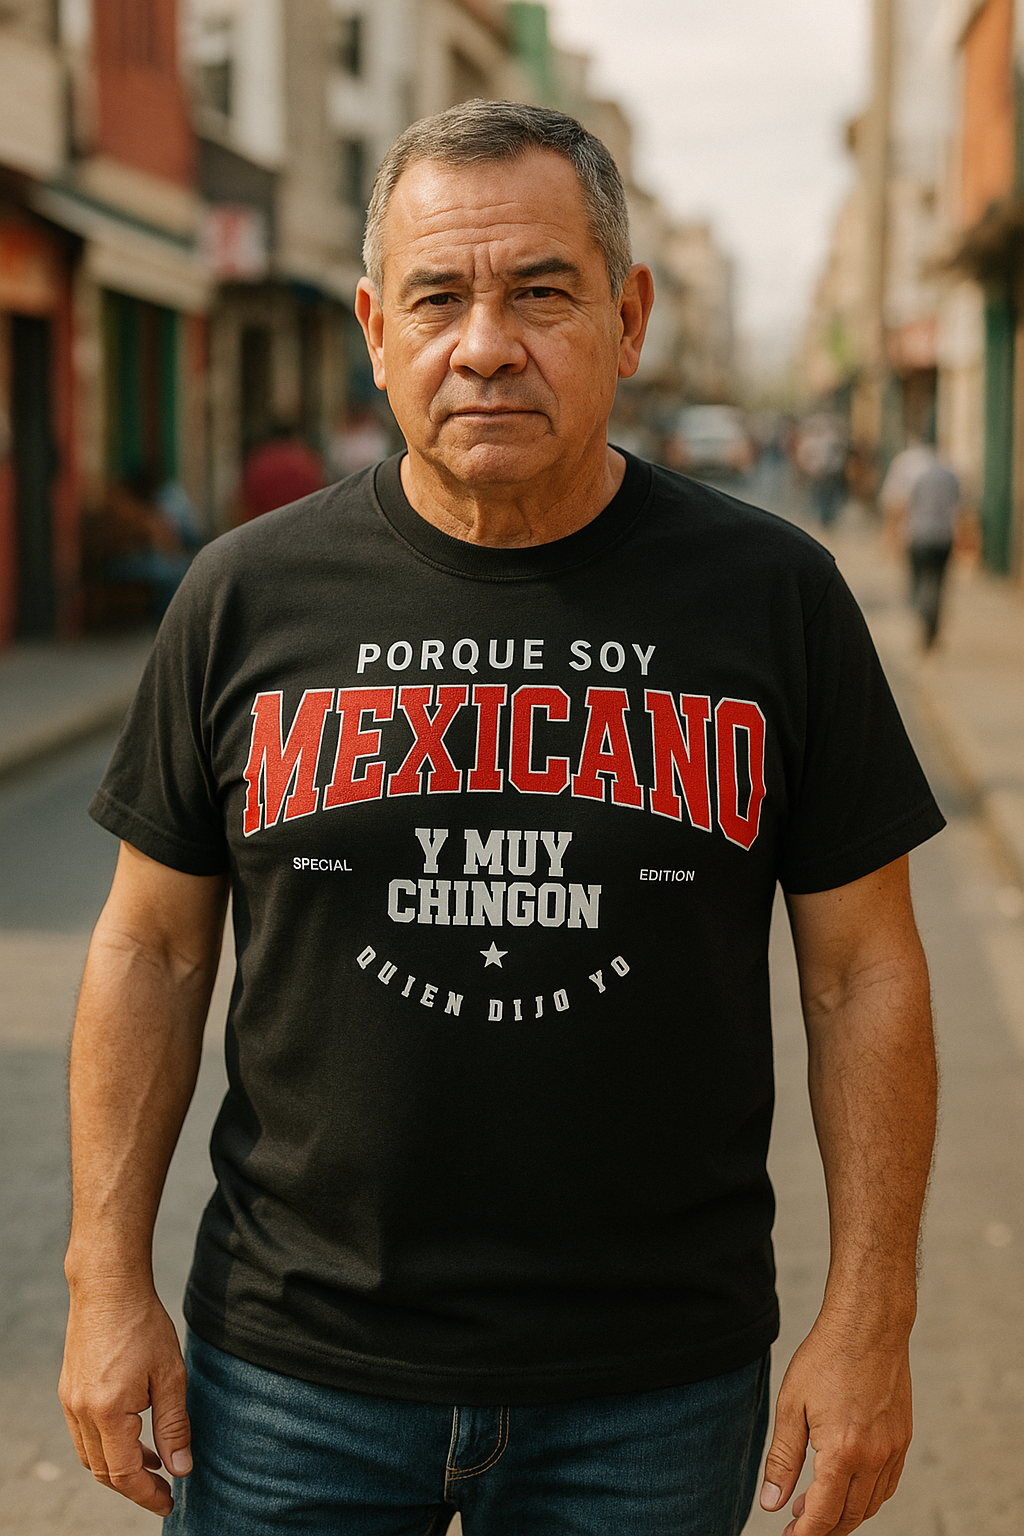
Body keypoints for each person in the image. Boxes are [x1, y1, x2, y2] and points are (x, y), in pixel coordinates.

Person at [60, 101, 943, 1536]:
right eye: (439, 297)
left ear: (629, 313)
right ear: (374, 326)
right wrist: (104, 1282)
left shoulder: (773, 599)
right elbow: (149, 952)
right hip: (292, 1374)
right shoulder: (242, 596)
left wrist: (872, 1320)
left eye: (541, 292)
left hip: (652, 1385)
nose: (486, 344)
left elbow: (864, 971)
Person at [880, 441, 960, 649]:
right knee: (939, 582)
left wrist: (892, 537)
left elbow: (899, 504)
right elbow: (960, 507)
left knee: (918, 580)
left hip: (918, 536)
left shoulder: (912, 472)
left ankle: (924, 613)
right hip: (943, 537)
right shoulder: (950, 474)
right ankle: (931, 622)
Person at [236, 421, 325, 522]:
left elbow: (244, 503)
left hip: (263, 526)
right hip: (300, 523)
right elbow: (320, 494)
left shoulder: (258, 461)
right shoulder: (305, 460)